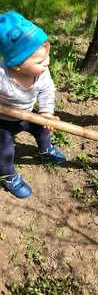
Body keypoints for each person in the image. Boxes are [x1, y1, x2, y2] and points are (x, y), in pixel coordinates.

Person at [0, 11, 66, 199]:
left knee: (42, 129)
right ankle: (8, 176)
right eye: (40, 61)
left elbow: (47, 90)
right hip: (3, 121)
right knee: (3, 150)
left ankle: (46, 149)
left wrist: (46, 113)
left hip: (28, 114)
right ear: (17, 65)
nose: (47, 63)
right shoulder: (2, 77)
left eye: (47, 57)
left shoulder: (41, 73)